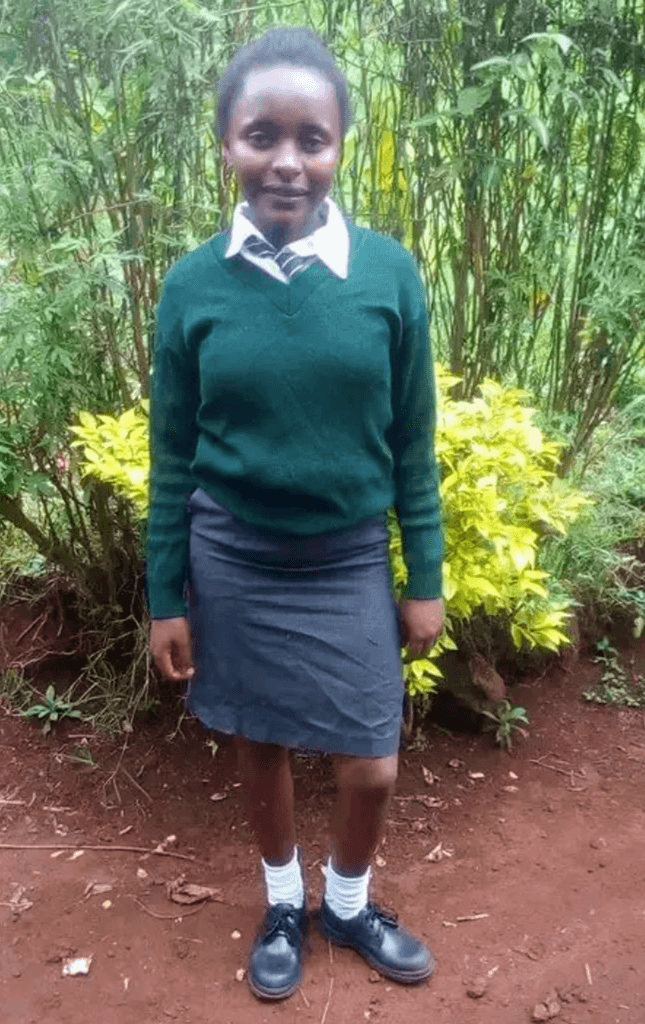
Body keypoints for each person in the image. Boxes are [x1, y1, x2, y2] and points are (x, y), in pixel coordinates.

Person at [147, 25, 444, 1002]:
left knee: (371, 766)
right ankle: (283, 902)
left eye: (311, 139)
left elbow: (411, 442)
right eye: (261, 135)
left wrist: (424, 575)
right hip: (233, 554)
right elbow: (172, 453)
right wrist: (165, 595)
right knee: (261, 742)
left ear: (339, 146)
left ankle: (347, 904)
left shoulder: (388, 274)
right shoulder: (192, 284)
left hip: (347, 557)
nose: (286, 160)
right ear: (227, 143)